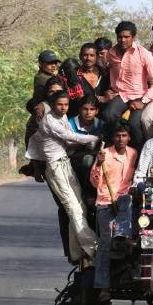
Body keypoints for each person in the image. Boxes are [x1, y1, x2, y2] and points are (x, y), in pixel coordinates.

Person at [26, 90, 100, 263]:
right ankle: (94, 247)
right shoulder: (48, 120)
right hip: (55, 167)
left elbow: (68, 141)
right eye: (60, 104)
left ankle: (76, 252)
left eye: (66, 104)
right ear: (51, 105)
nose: (64, 107)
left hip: (65, 163)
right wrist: (94, 138)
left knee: (79, 207)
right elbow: (68, 135)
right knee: (73, 208)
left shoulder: (62, 117)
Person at [90, 120, 137, 302]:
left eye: (124, 135)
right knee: (105, 245)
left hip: (125, 202)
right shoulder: (105, 154)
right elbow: (95, 182)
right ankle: (103, 287)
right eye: (117, 136)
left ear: (129, 138)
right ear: (113, 138)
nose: (120, 139)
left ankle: (122, 235)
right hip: (106, 202)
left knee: (127, 199)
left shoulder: (133, 154)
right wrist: (98, 165)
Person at [101, 21, 153, 150]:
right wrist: (109, 89)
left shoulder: (143, 53)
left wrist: (143, 100)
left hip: (139, 96)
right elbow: (109, 71)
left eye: (126, 37)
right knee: (108, 114)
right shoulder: (111, 53)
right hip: (120, 94)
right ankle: (113, 150)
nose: (123, 40)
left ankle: (140, 154)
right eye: (120, 37)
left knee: (134, 124)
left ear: (133, 37)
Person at [69, 95, 104, 204]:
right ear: (80, 110)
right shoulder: (71, 123)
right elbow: (69, 144)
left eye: (92, 109)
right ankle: (86, 193)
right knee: (87, 160)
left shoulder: (101, 124)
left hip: (95, 157)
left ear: (96, 111)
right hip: (74, 158)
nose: (88, 112)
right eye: (85, 109)